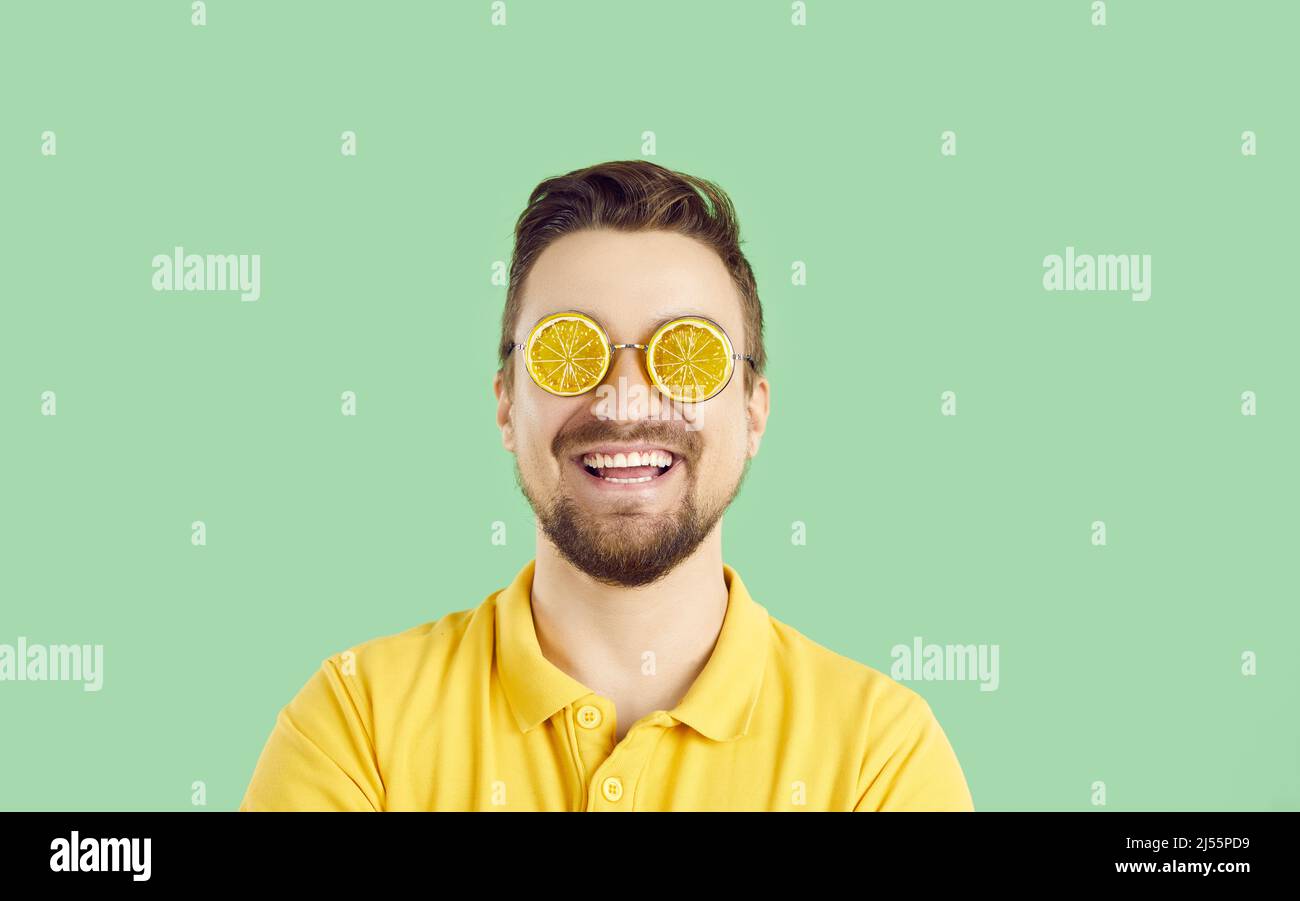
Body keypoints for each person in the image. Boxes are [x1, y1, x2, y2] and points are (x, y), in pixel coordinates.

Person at [240, 160, 974, 811]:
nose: (626, 397)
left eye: (686, 353)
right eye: (572, 351)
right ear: (506, 403)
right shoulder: (357, 723)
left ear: (753, 413)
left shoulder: (879, 758)